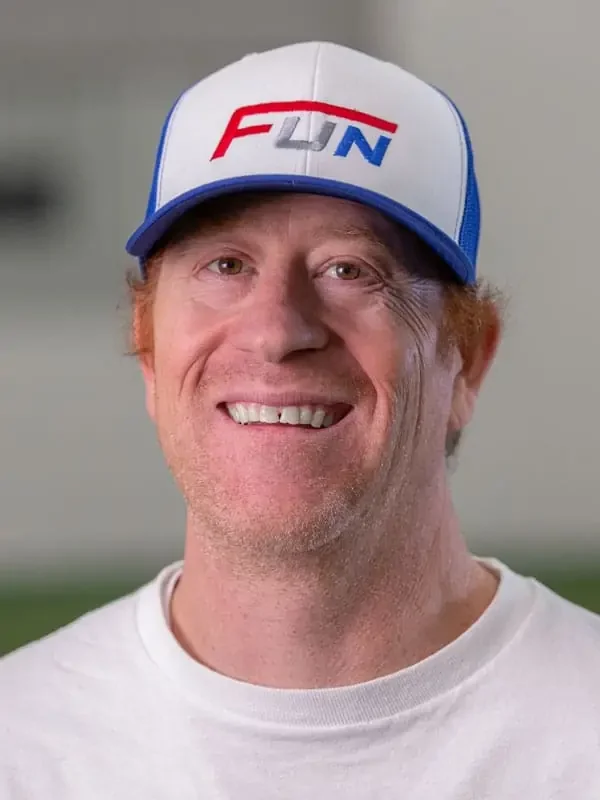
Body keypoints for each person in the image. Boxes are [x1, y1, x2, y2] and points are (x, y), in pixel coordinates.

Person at [1, 40, 598, 799]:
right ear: (148, 345)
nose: (278, 331)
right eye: (226, 266)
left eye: (350, 270)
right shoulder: (20, 745)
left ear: (467, 359)